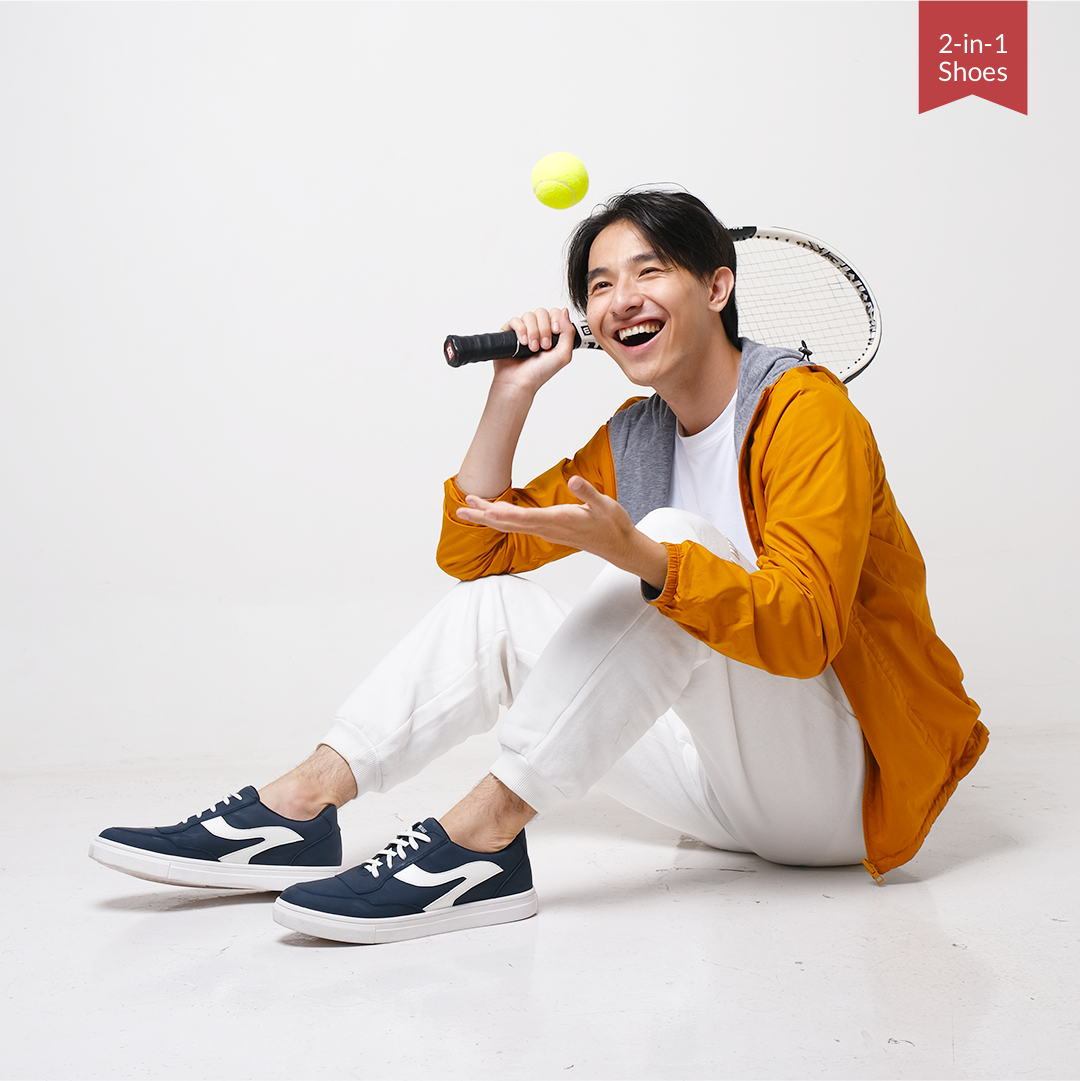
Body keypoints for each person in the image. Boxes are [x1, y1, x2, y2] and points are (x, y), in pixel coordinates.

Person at [90, 190, 987, 945]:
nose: (620, 299)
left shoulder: (806, 412)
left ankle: (482, 839)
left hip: (840, 796)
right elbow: (474, 552)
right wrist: (511, 391)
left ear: (718, 286)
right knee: (497, 612)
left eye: (648, 272)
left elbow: (806, 633)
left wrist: (643, 555)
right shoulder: (639, 437)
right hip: (728, 797)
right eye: (600, 284)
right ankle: (298, 809)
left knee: (671, 538)